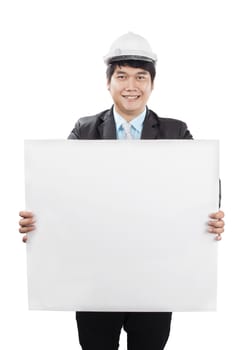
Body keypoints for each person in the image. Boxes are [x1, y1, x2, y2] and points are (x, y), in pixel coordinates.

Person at [19, 32, 225, 350]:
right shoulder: (84, 130)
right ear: (108, 82)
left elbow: (200, 189)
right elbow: (62, 192)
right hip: (97, 280)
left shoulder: (175, 131)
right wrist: (39, 222)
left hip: (154, 277)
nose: (131, 86)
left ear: (152, 83)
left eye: (140, 77)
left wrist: (211, 216)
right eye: (122, 76)